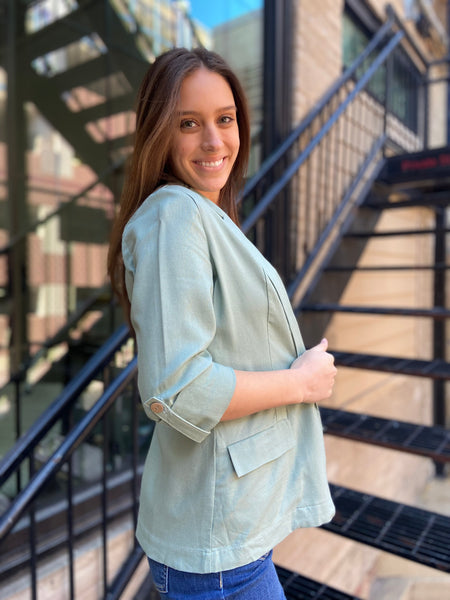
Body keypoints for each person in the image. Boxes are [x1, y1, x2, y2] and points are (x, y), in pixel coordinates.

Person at [108, 47, 337, 600]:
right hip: (219, 545)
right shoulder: (174, 216)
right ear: (160, 132)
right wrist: (300, 383)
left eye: (225, 119)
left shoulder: (202, 214)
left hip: (229, 531)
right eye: (189, 124)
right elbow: (178, 388)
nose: (214, 142)